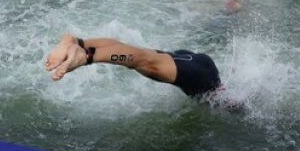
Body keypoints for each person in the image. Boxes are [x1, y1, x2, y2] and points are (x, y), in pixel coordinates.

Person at [44, 33, 223, 99]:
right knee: (143, 59)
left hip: (191, 60)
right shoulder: (224, 98)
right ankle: (86, 55)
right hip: (202, 76)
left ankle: (79, 42)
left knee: (143, 56)